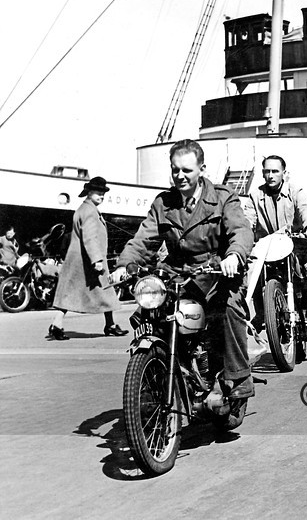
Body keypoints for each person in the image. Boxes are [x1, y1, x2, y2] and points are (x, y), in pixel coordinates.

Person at [112, 140, 256, 399]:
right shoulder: (163, 203)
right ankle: (154, 374)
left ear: (202, 169)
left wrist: (234, 255)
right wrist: (124, 265)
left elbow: (241, 230)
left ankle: (238, 376)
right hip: (177, 272)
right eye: (175, 170)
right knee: (150, 311)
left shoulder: (223, 198)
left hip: (217, 272)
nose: (180, 176)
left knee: (227, 309)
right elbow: (143, 239)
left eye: (187, 170)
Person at [242, 155, 307, 325]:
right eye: (267, 171)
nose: (270, 175)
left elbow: (305, 208)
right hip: (268, 248)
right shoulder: (255, 196)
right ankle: (261, 313)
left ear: (284, 173)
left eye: (275, 171)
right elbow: (247, 219)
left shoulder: (295, 192)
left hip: (297, 244)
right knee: (252, 270)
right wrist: (243, 234)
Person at [49, 177, 128, 341]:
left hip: (80, 259)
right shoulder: (90, 211)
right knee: (103, 290)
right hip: (88, 260)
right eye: (98, 192)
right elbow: (90, 237)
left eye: (103, 193)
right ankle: (109, 325)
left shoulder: (83, 209)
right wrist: (97, 260)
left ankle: (58, 324)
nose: (102, 196)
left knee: (71, 293)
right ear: (89, 192)